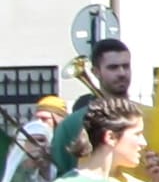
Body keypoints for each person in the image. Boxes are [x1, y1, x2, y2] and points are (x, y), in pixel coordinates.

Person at [51, 33, 134, 169]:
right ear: (95, 72)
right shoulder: (71, 125)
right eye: (113, 67)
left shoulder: (149, 117)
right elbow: (63, 172)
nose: (122, 73)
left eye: (126, 66)